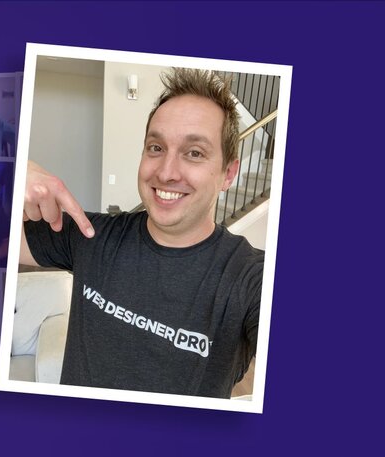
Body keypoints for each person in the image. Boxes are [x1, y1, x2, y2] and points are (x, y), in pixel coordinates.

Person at [21, 68, 264, 399]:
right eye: (156, 147)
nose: (165, 172)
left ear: (228, 173)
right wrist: (10, 173)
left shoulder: (251, 277)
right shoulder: (91, 235)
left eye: (194, 152)